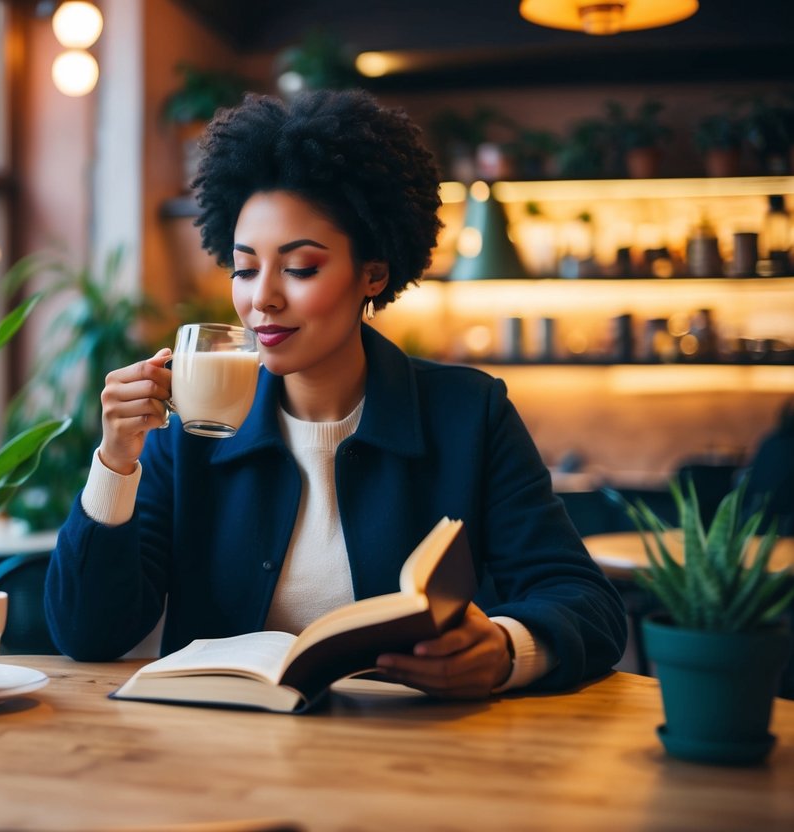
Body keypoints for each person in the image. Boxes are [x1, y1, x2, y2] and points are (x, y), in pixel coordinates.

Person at [45, 90, 626, 698]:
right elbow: (89, 637)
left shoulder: (468, 415)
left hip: (417, 761)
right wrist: (116, 460)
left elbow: (587, 603)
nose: (261, 298)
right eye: (244, 268)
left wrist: (505, 649)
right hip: (219, 768)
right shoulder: (192, 427)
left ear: (372, 273)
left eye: (299, 268)